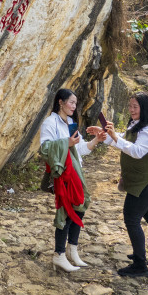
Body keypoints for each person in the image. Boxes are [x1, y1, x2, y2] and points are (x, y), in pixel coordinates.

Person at [98, 92, 148, 277]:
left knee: (132, 219)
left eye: (136, 106)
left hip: (145, 182)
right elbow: (123, 142)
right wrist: (106, 136)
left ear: (145, 108)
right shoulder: (137, 124)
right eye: (130, 106)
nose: (131, 110)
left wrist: (115, 137)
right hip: (139, 180)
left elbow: (137, 151)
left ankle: (140, 265)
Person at [39, 89, 107, 272]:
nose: (74, 106)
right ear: (60, 102)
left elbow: (80, 148)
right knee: (66, 213)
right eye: (71, 102)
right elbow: (44, 149)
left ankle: (72, 250)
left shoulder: (70, 123)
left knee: (80, 207)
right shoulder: (50, 122)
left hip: (76, 172)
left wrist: (95, 141)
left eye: (75, 103)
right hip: (63, 174)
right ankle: (59, 255)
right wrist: (66, 144)